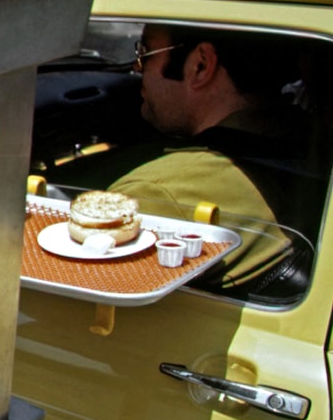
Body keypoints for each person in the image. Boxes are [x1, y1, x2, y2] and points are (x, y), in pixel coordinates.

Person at [107, 23, 321, 288]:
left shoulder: (152, 193)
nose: (137, 68)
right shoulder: (315, 143)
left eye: (146, 52)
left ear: (201, 65)